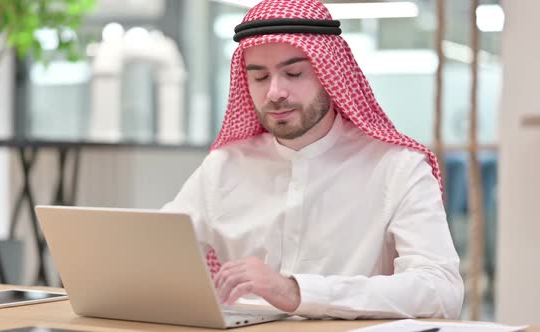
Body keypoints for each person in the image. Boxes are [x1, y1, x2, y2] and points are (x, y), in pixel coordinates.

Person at [162, 0, 464, 320]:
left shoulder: (397, 167)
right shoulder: (223, 167)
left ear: (329, 73)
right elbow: (155, 250)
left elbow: (441, 290)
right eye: (260, 77)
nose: (275, 92)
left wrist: (296, 291)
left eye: (294, 73)